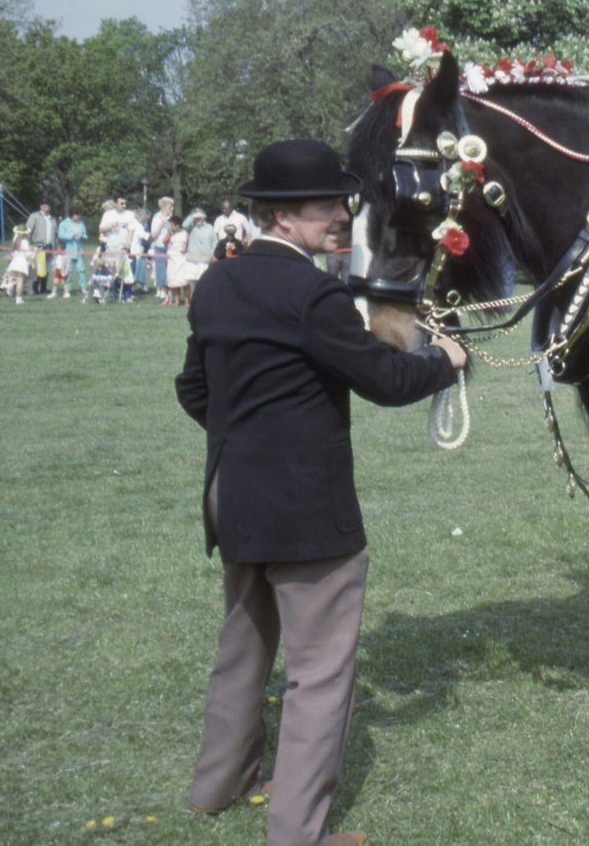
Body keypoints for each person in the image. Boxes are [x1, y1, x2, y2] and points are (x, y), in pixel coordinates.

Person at [176, 139, 466, 846]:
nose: (342, 214)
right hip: (303, 512)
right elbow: (387, 380)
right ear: (281, 214)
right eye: (327, 204)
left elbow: (193, 389)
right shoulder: (314, 293)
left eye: (343, 201)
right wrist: (446, 359)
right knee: (320, 672)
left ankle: (220, 782)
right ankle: (298, 834)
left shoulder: (217, 282)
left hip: (232, 496)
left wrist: (246, 440)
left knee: (244, 646)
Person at [98, 195, 137, 302]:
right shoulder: (108, 214)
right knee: (109, 272)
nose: (124, 206)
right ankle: (104, 294)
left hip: (123, 249)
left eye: (125, 203)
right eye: (121, 203)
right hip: (111, 248)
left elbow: (131, 229)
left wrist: (129, 242)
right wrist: (111, 226)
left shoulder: (129, 214)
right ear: (115, 203)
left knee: (126, 273)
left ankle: (127, 295)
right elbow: (101, 229)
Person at [24, 200, 56, 295]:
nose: (46, 208)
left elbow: (55, 234)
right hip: (37, 246)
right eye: (44, 206)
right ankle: (34, 288)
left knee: (46, 268)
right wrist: (27, 244)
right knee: (37, 268)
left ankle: (43, 288)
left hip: (49, 246)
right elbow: (28, 229)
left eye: (48, 206)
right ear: (41, 207)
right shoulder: (34, 216)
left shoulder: (52, 219)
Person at [58, 209, 90, 299]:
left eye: (79, 215)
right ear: (72, 215)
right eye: (76, 215)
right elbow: (60, 235)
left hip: (79, 249)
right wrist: (72, 235)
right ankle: (67, 289)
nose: (78, 217)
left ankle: (84, 288)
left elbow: (85, 235)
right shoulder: (63, 223)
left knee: (81, 269)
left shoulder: (81, 223)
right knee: (68, 270)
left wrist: (82, 237)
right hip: (68, 249)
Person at [150, 196, 177, 303]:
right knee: (161, 271)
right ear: (164, 206)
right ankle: (165, 295)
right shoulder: (157, 217)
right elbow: (153, 235)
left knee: (171, 271)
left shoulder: (172, 217)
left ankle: (171, 295)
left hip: (171, 248)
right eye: (171, 206)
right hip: (160, 248)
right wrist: (162, 223)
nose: (172, 208)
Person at [185, 208, 217, 281]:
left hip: (205, 260)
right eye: (196, 218)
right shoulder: (191, 227)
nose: (198, 219)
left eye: (200, 217)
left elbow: (215, 241)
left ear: (203, 217)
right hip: (192, 260)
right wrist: (192, 216)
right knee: (192, 282)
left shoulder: (209, 227)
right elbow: (184, 224)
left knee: (204, 281)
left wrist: (212, 253)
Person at [4, 233, 31, 303]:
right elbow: (27, 254)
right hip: (21, 262)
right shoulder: (24, 242)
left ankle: (10, 285)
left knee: (21, 280)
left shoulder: (16, 241)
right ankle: (18, 298)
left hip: (15, 261)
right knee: (21, 281)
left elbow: (13, 253)